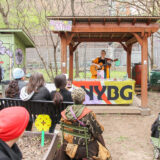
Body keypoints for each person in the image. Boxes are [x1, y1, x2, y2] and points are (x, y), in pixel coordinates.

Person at [54, 88, 111, 160]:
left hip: (68, 145)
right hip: (86, 149)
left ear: (72, 98)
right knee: (98, 135)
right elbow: (98, 131)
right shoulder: (87, 114)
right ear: (84, 99)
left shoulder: (65, 112)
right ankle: (106, 153)